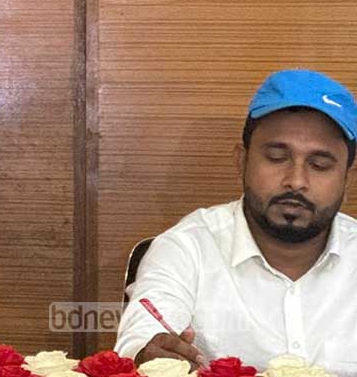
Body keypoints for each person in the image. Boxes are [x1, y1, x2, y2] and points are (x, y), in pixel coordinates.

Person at [116, 69, 357, 372]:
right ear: (242, 161)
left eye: (319, 165)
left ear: (347, 178)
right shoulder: (187, 248)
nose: (296, 181)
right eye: (276, 157)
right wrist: (147, 355)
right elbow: (142, 337)